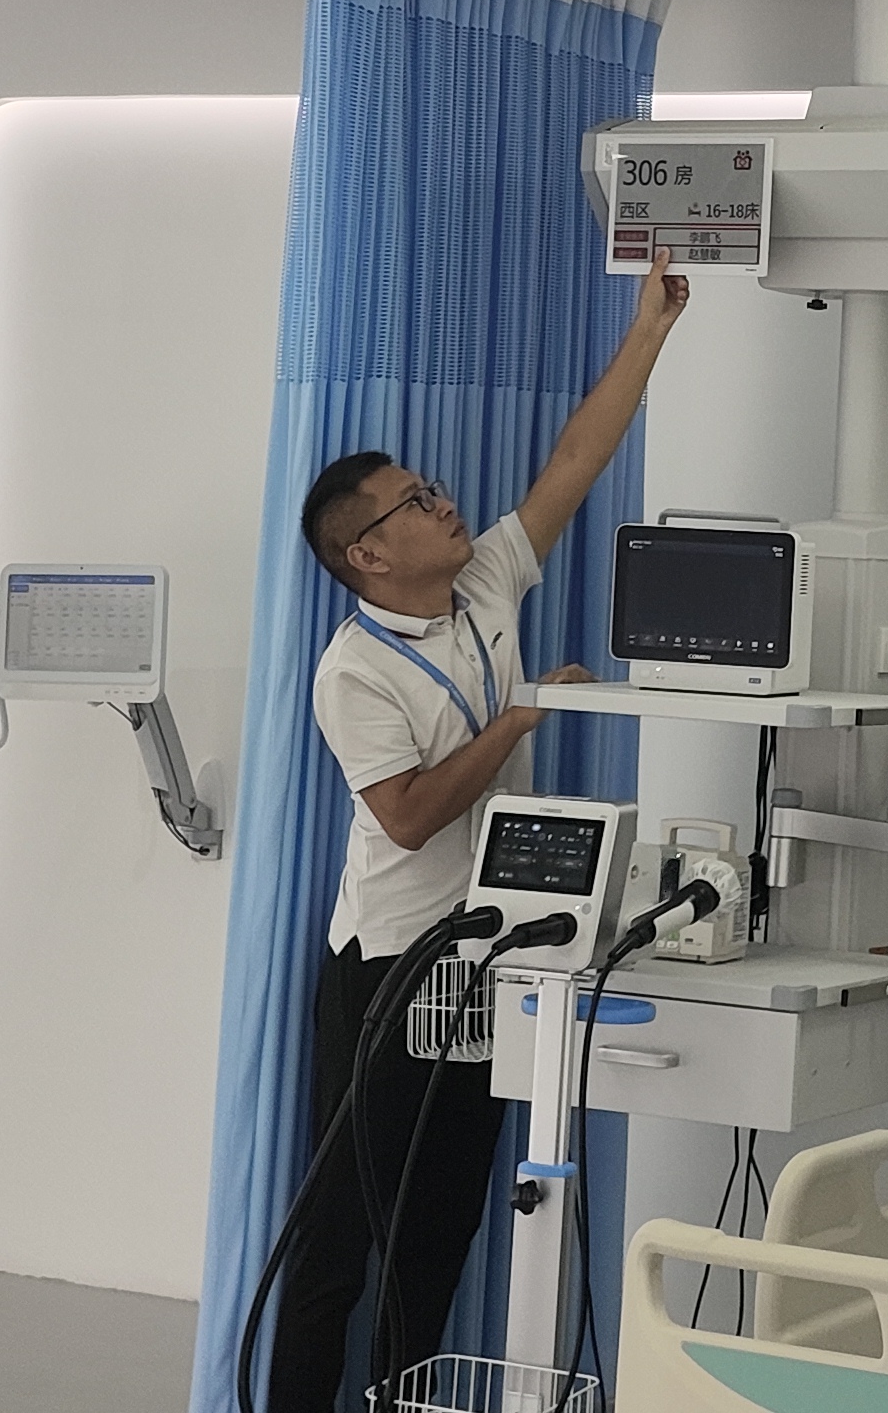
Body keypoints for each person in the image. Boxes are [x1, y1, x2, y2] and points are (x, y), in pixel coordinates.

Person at [261, 253, 691, 1413]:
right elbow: (404, 817)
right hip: (388, 974)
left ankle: (404, 1402)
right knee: (339, 1240)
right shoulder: (352, 670)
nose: (442, 502)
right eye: (414, 502)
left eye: (432, 488)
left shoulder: (487, 583)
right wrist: (519, 716)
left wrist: (650, 329)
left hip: (490, 964)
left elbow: (575, 461)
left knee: (440, 1228)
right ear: (366, 553)